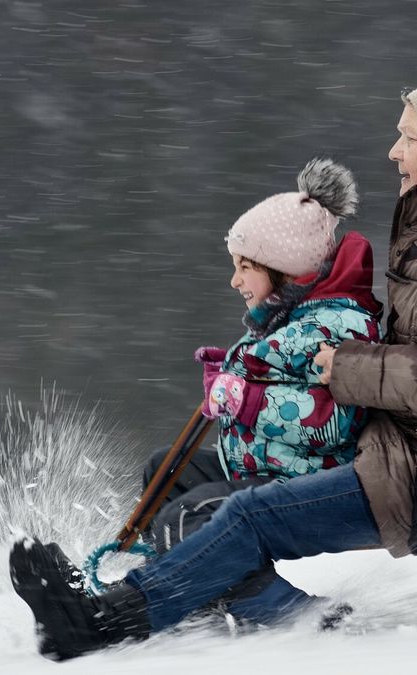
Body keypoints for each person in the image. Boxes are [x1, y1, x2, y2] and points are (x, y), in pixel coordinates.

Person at [10, 79, 417, 662]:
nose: (393, 150)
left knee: (247, 516)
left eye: (409, 137)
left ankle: (106, 622)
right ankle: (203, 609)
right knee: (177, 473)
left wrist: (346, 367)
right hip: (405, 444)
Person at [135, 158, 381, 626]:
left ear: (286, 268)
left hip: (313, 481)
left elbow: (330, 423)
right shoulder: (285, 321)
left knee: (189, 514)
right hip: (269, 467)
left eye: (245, 267)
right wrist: (231, 374)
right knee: (165, 469)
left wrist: (244, 399)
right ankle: (196, 590)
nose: (235, 281)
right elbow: (273, 376)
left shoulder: (335, 326)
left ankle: (293, 615)